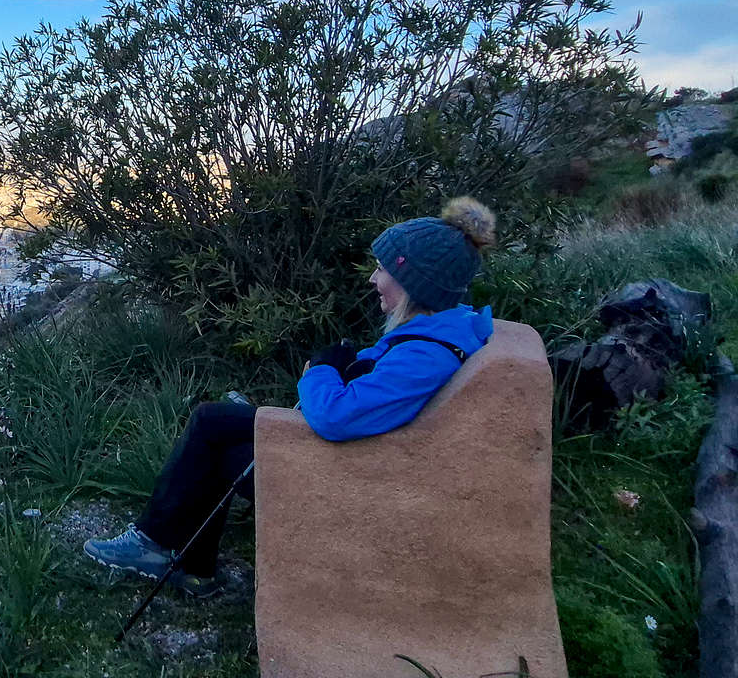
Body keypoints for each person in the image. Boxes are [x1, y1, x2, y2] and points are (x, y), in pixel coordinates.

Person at [83, 197, 499, 597]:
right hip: (367, 458)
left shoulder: (426, 354)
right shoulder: (443, 330)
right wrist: (352, 363)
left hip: (353, 479)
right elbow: (378, 388)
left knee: (216, 433)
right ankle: (188, 566)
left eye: (382, 269)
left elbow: (335, 416)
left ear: (413, 282)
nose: (373, 279)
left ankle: (159, 547)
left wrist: (321, 370)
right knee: (218, 431)